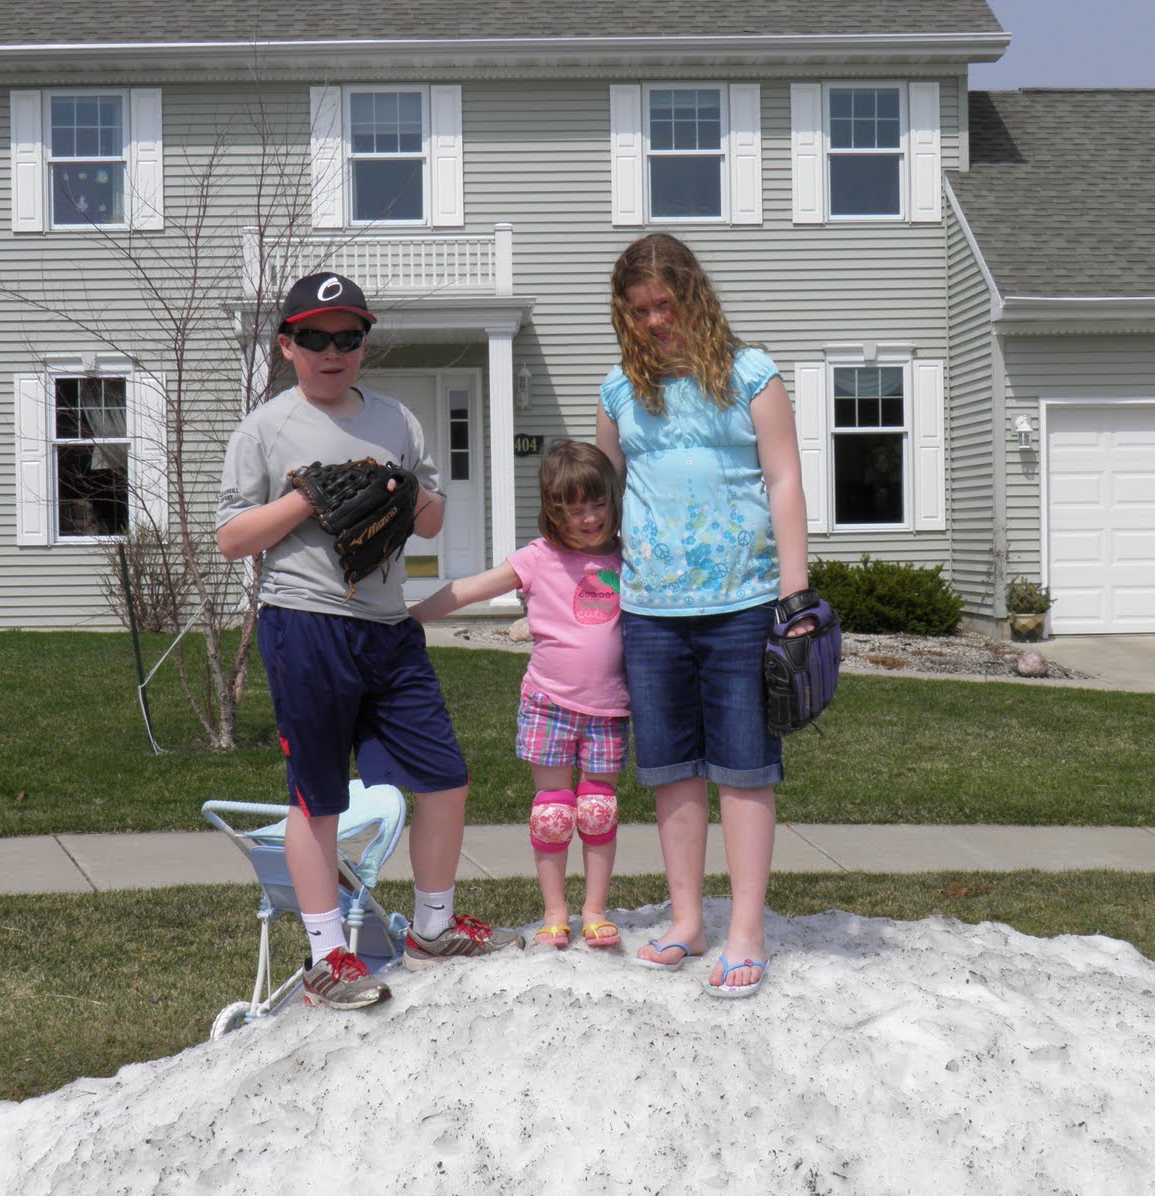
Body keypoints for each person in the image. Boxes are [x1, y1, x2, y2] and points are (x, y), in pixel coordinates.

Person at [216, 271, 523, 1011]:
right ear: (286, 345)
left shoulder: (396, 420)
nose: (333, 352)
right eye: (316, 338)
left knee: (445, 779)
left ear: (363, 344)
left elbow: (432, 522)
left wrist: (407, 493)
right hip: (306, 625)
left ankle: (432, 930)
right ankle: (329, 956)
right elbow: (232, 538)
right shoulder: (265, 428)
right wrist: (307, 498)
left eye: (348, 337)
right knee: (316, 797)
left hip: (388, 628)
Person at [594, 233, 811, 999]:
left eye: (666, 303)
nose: (655, 321)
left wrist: (794, 595)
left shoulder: (753, 375)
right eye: (639, 311)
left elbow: (784, 480)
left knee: (745, 768)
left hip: (743, 604)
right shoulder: (619, 391)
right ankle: (687, 921)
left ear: (694, 294)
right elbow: (603, 499)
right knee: (671, 769)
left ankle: (746, 930)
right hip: (650, 610)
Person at [409, 440, 629, 952]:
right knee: (553, 814)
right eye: (575, 510)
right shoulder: (538, 558)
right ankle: (555, 913)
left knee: (598, 809)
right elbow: (469, 589)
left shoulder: (627, 556)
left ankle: (595, 911)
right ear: (554, 510)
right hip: (549, 705)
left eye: (598, 505)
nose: (590, 519)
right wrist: (409, 616)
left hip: (608, 707)